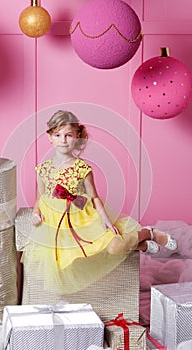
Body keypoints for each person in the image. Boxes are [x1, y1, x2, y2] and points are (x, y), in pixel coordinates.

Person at [21, 110, 177, 294]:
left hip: (84, 218)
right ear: (50, 138)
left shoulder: (83, 168)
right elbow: (41, 197)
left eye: (68, 135)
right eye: (58, 135)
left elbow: (94, 196)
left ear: (77, 137)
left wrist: (105, 219)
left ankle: (148, 233)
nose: (63, 140)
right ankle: (139, 245)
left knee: (113, 247)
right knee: (68, 264)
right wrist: (35, 212)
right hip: (57, 227)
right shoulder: (43, 169)